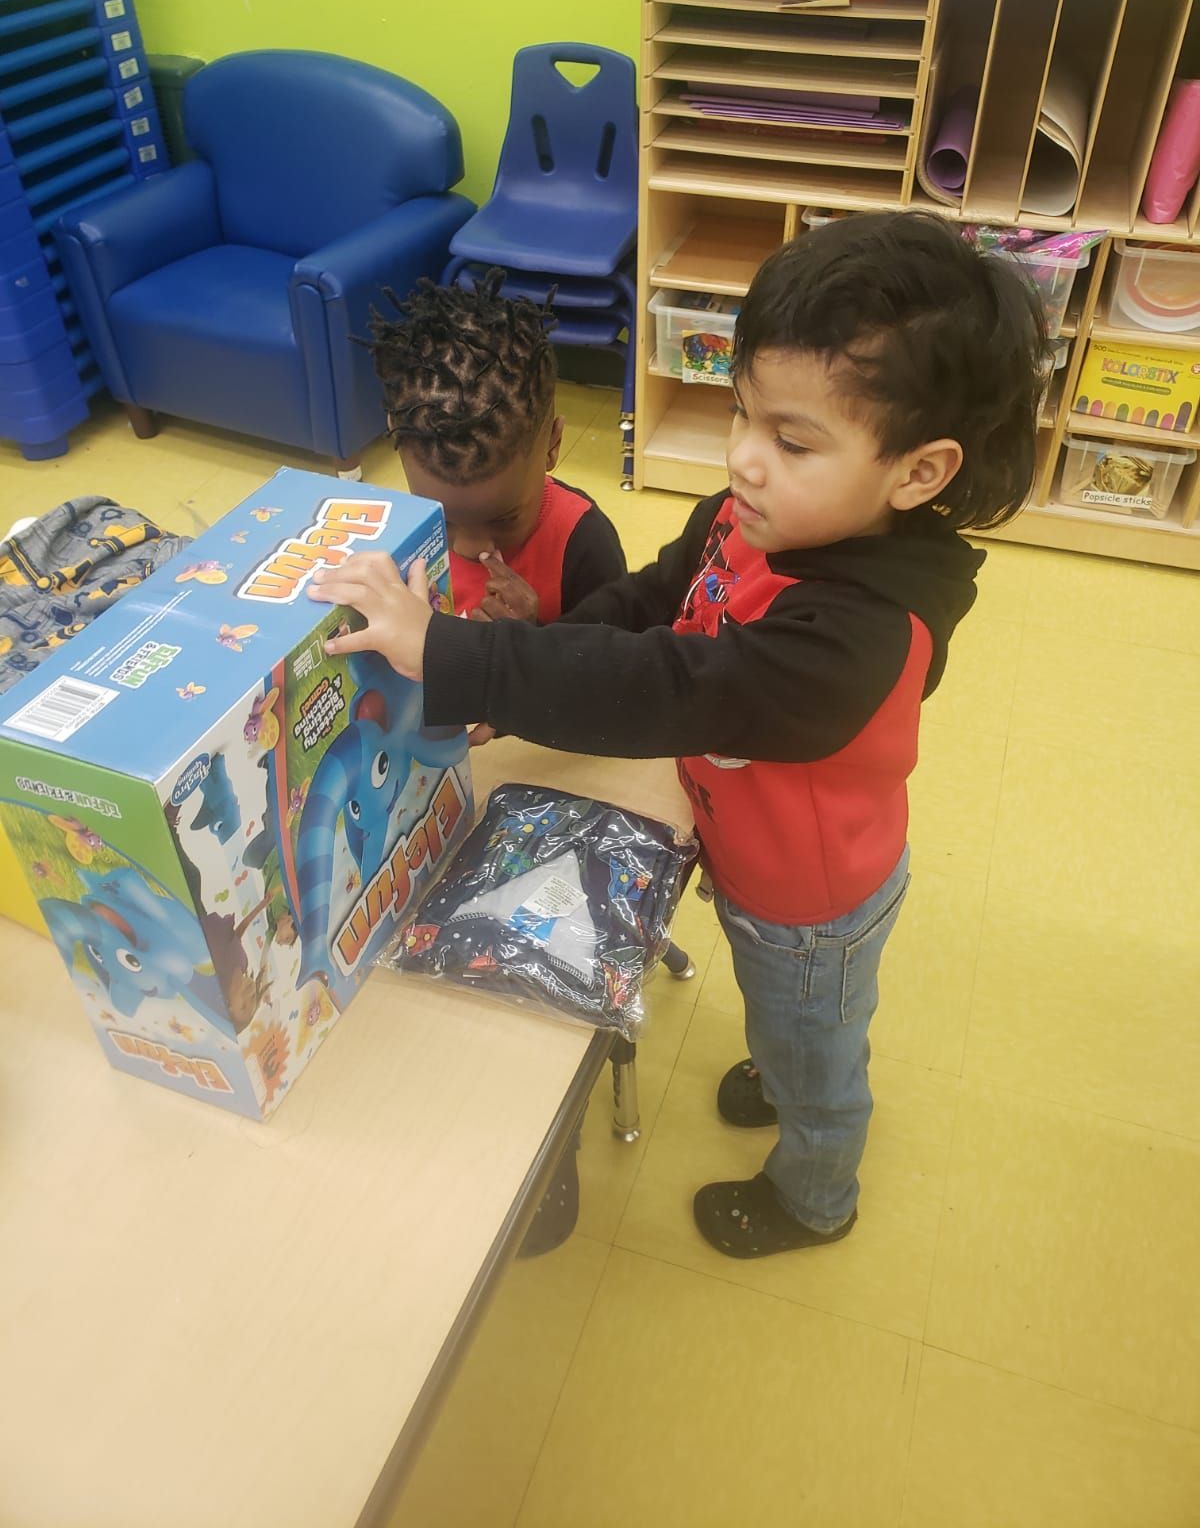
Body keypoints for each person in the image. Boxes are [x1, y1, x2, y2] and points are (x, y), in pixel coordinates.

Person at [314, 211, 1046, 1259]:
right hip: (746, 857)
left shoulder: (854, 638)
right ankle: (779, 1057)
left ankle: (814, 1189)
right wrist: (509, 677)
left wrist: (461, 655)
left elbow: (665, 684)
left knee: (815, 1050)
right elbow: (654, 604)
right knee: (781, 1018)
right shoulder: (762, 515)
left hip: (811, 906)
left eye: (792, 440)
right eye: (743, 412)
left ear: (918, 473)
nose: (743, 459)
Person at [364, 269, 626, 623]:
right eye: (443, 519)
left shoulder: (584, 546)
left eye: (504, 521)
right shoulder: (394, 536)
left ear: (552, 444)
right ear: (395, 437)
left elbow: (612, 668)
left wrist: (528, 646)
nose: (471, 549)